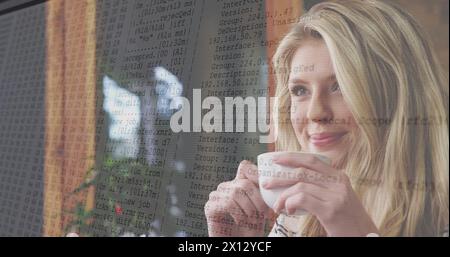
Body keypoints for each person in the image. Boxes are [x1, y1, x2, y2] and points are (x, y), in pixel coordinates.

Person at [204, 0, 449, 237]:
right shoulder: (295, 218)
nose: (315, 113)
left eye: (339, 86)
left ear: (398, 96)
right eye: (300, 91)